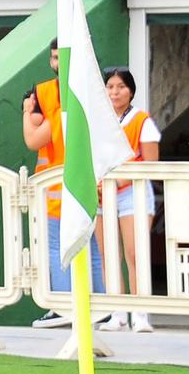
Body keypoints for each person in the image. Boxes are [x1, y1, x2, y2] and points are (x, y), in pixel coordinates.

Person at [25, 39, 102, 318]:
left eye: (61, 57)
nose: (57, 63)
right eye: (54, 57)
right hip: (65, 186)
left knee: (69, 249)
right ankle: (92, 309)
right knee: (86, 249)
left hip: (66, 188)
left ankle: (64, 309)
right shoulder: (51, 94)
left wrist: (25, 112)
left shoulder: (65, 108)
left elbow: (32, 138)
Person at [99, 68, 159, 332]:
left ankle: (141, 312)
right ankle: (117, 312)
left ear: (131, 90)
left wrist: (121, 180)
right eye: (110, 86)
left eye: (120, 86)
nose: (114, 92)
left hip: (132, 194)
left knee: (135, 253)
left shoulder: (142, 120)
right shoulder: (96, 119)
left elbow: (151, 163)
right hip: (101, 195)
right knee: (108, 254)